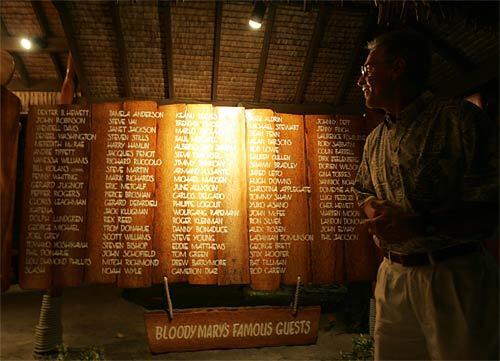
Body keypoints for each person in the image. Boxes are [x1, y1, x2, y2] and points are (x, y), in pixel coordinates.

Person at [353, 30, 498, 360]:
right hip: (393, 276)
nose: (360, 80)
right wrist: (371, 206)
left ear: (397, 67)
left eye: (367, 69)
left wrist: (419, 226)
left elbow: (492, 204)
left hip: (454, 277)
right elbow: (362, 189)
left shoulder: (459, 120)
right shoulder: (375, 140)